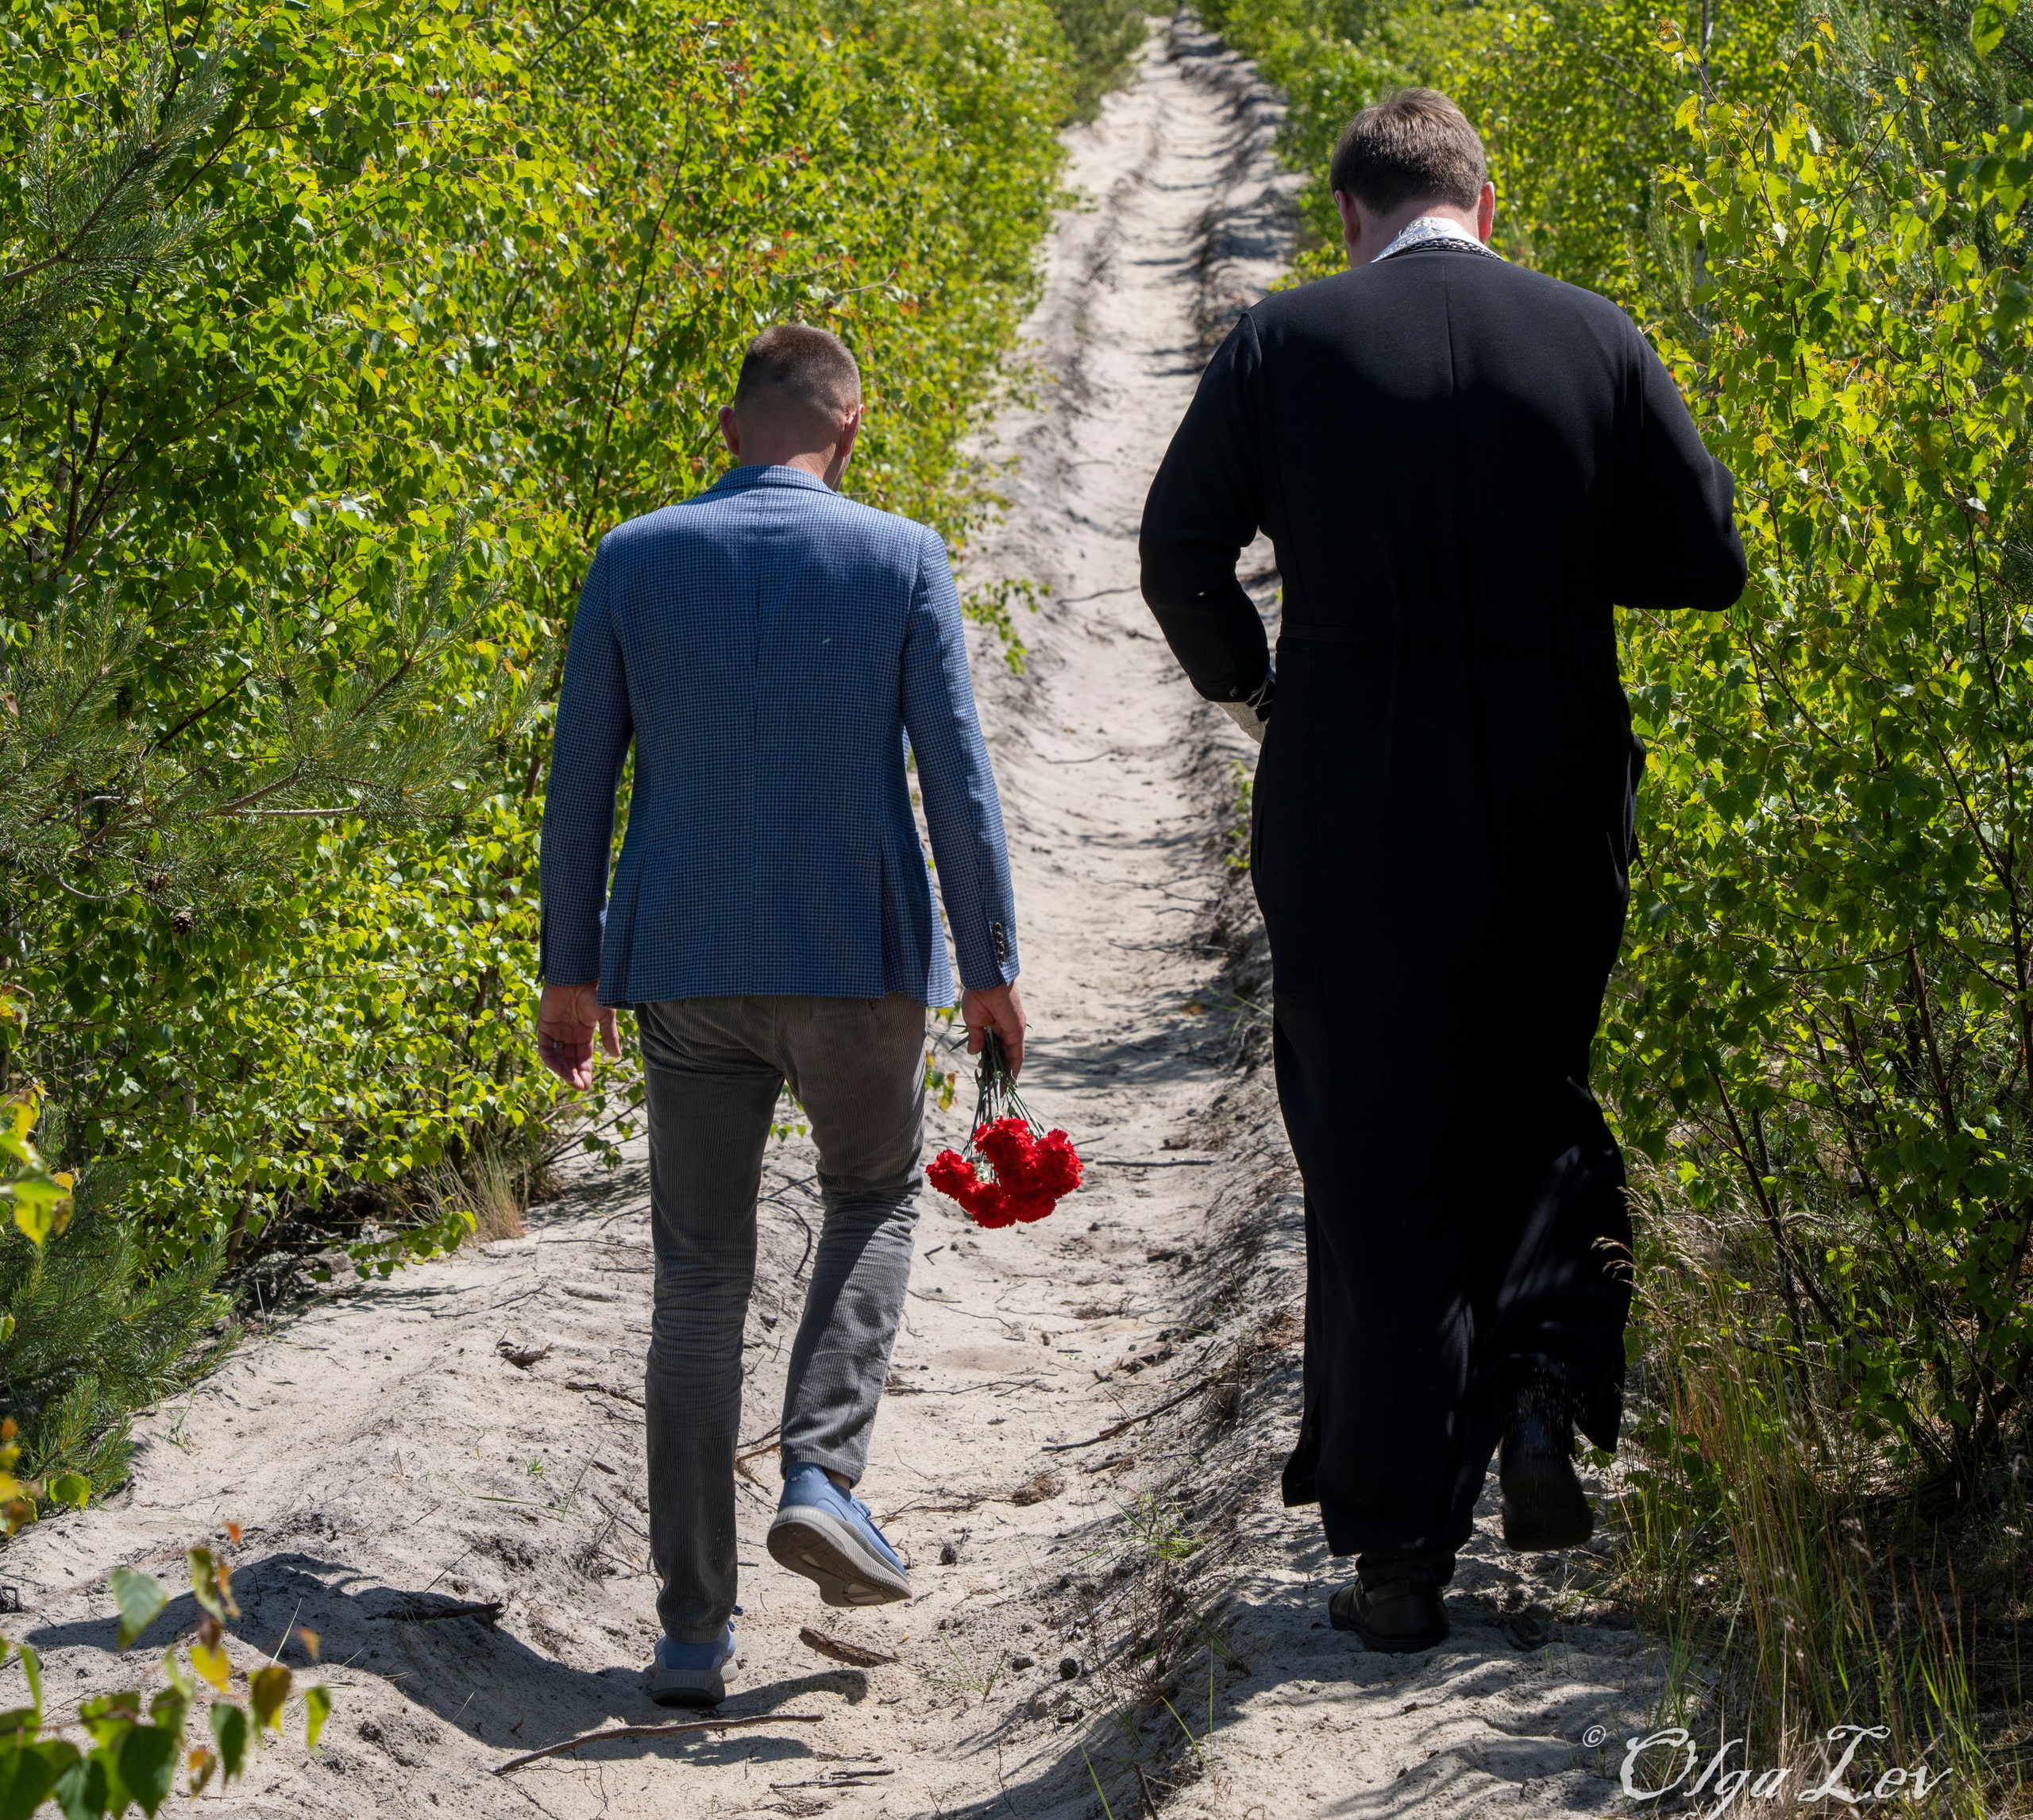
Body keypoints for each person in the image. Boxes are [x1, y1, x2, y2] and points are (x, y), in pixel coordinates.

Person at [1139, 88, 1744, 1652]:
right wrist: (1541, 561)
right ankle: (1541, 1392)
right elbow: (1703, 559)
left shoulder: (1285, 344)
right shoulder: (1590, 336)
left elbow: (1175, 553)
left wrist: (1253, 682)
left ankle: (1399, 1549)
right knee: (1536, 1089)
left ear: (1345, 213)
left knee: (1372, 1147)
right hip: (1548, 781)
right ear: (1488, 199)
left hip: (1347, 793)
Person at [536, 322, 1024, 1706]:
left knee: (697, 1281)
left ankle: (691, 1630)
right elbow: (958, 783)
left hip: (682, 962)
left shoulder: (635, 557)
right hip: (858, 959)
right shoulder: (900, 557)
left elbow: (582, 784)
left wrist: (572, 972)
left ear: (731, 427)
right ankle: (820, 1468)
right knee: (870, 1197)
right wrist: (987, 965)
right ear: (851, 429)